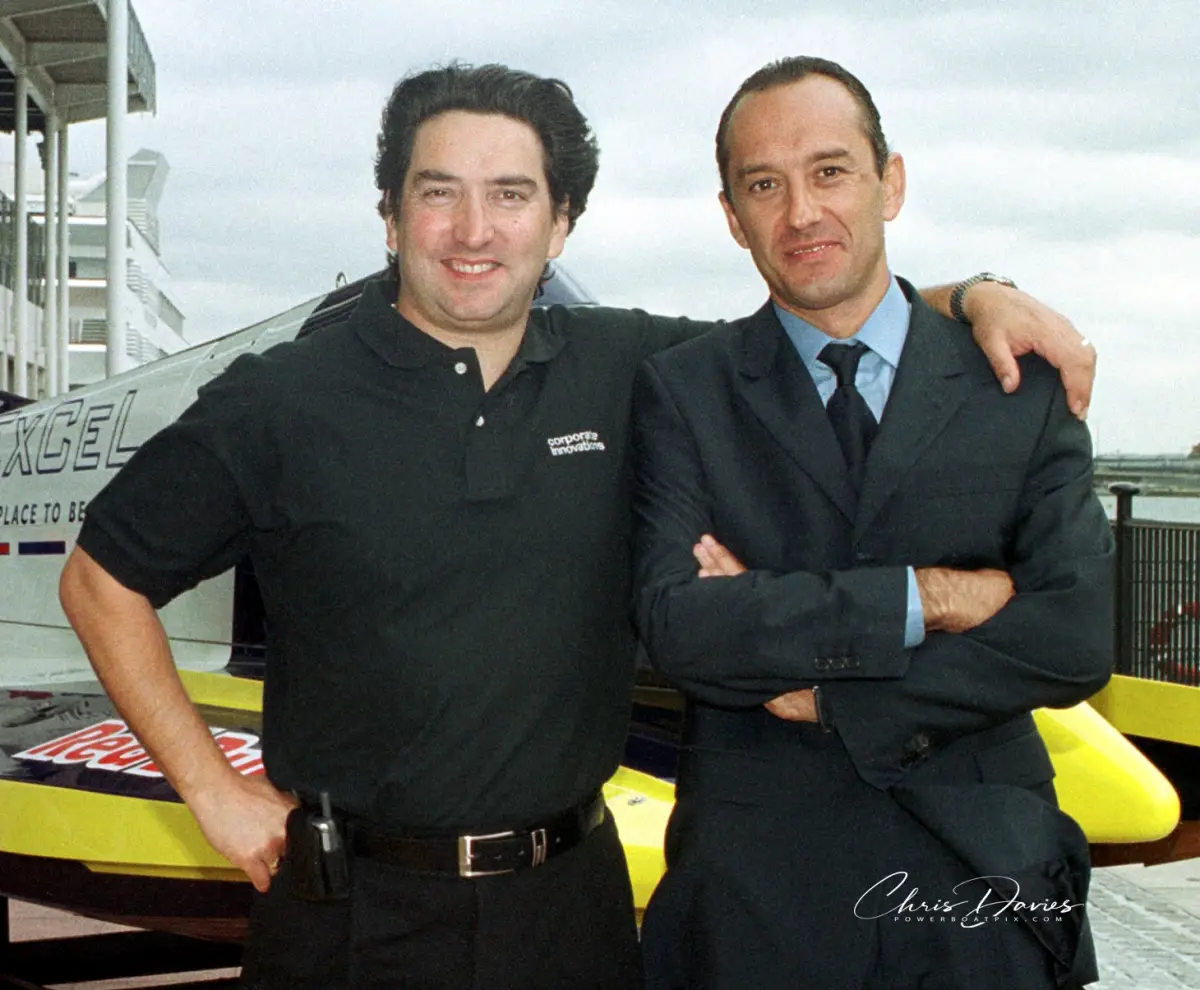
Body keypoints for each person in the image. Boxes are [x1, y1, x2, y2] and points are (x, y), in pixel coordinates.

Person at [58, 63, 1095, 990]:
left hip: (573, 912)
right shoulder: (277, 401)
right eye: (438, 194)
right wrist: (214, 793)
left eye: (511, 196)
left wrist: (976, 296)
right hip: (350, 916)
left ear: (560, 224)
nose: (475, 231)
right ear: (388, 216)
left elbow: (817, 305)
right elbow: (102, 580)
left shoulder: (633, 369)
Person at [631, 57, 1112, 990]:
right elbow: (682, 627)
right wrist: (930, 596)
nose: (801, 212)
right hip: (756, 900)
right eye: (763, 185)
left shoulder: (1019, 384)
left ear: (890, 182)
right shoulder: (683, 389)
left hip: (986, 887)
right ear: (732, 216)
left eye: (830, 170)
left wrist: (831, 694)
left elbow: (1072, 636)